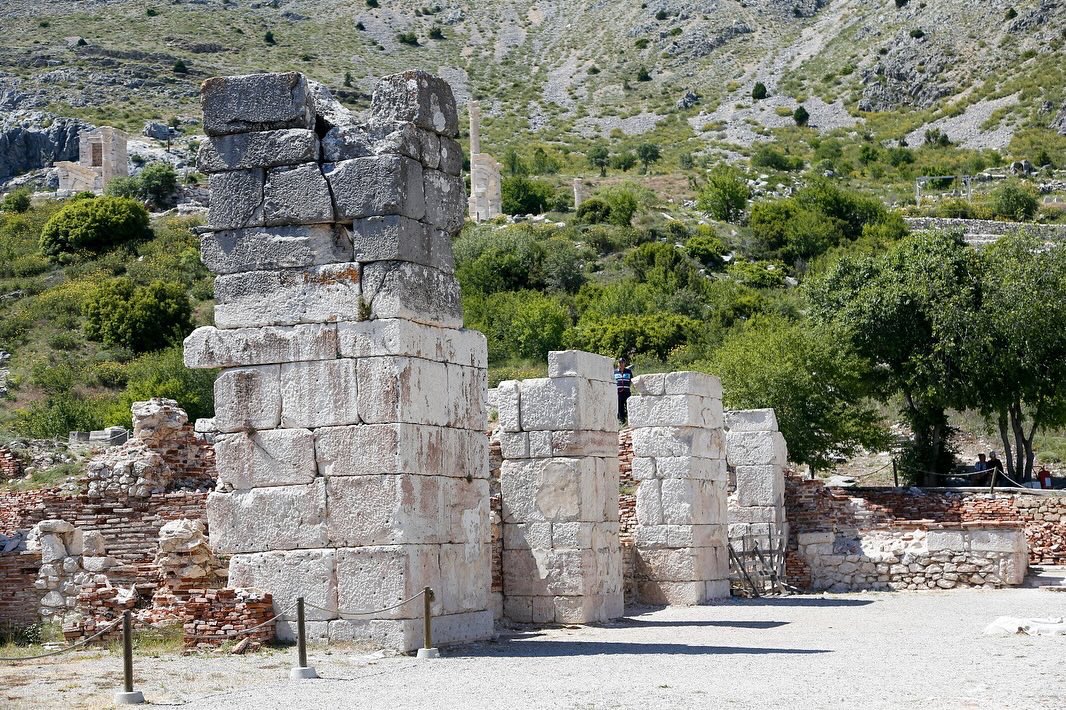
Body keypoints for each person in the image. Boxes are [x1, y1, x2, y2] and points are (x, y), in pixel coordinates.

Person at [614, 357, 634, 423]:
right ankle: (622, 421)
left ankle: (630, 420)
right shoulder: (615, 372)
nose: (621, 364)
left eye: (622, 362)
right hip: (618, 392)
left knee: (629, 406)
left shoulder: (628, 371)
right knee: (620, 407)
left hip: (627, 392)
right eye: (620, 362)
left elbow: (631, 380)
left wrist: (627, 386)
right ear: (618, 363)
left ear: (625, 363)